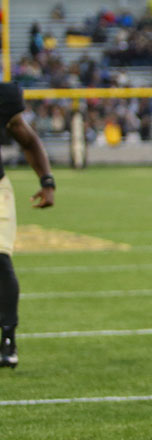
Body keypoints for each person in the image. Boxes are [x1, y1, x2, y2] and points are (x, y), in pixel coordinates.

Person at [0, 82, 57, 369]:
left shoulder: (3, 97)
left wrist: (47, 181)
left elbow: (28, 139)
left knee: (0, 260)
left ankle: (7, 338)